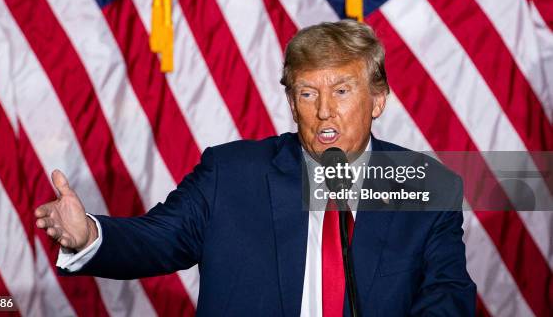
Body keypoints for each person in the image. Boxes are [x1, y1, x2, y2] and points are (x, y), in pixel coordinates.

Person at [35, 20, 476, 316]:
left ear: (378, 100)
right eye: (307, 94)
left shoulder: (425, 186)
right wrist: (90, 235)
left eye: (342, 91)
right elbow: (157, 239)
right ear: (290, 103)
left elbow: (448, 294)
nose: (324, 112)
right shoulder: (231, 174)